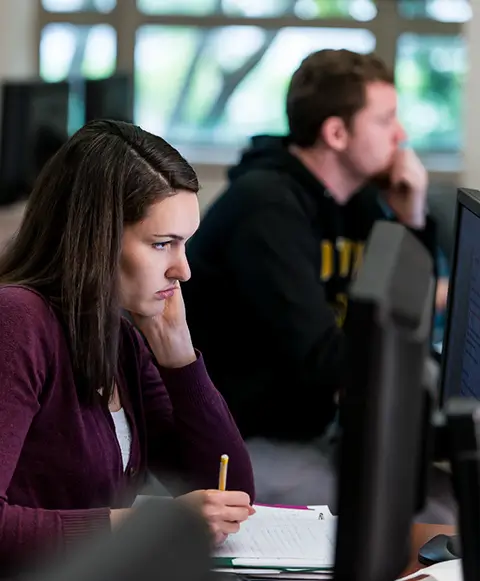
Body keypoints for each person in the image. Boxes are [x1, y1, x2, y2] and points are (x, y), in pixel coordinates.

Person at [182, 49, 438, 504]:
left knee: (435, 490)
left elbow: (398, 317)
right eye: (385, 120)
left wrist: (411, 218)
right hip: (242, 440)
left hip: (314, 423)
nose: (401, 135)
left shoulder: (352, 200)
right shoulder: (267, 208)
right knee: (395, 508)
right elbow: (323, 361)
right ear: (337, 133)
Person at [0, 120, 255, 570]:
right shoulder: (18, 321)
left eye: (184, 246)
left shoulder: (117, 336)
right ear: (96, 238)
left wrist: (179, 359)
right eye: (162, 244)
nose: (183, 270)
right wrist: (143, 524)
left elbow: (229, 493)